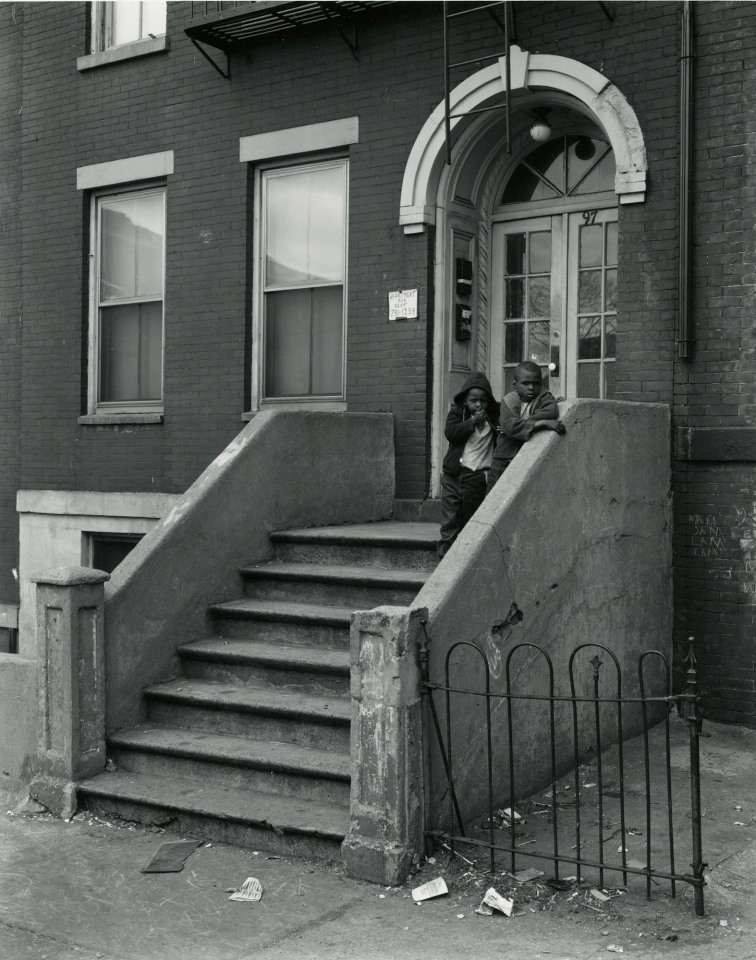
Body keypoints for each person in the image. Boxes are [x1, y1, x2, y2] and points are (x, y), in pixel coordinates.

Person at [438, 372, 500, 559]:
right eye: (474, 400)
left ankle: (465, 561)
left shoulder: (494, 416)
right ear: (465, 401)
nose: (479, 404)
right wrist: (472, 422)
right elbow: (451, 433)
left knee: (470, 520)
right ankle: (444, 559)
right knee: (450, 520)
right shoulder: (457, 413)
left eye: (483, 400)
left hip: (478, 477)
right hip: (453, 476)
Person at [486, 360, 565, 495]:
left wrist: (521, 423)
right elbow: (510, 427)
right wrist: (540, 423)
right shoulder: (509, 400)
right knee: (494, 498)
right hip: (504, 460)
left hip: (526, 457)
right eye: (526, 383)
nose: (531, 387)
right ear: (515, 385)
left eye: (536, 383)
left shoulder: (544, 396)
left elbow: (551, 411)